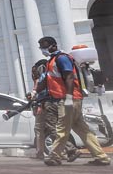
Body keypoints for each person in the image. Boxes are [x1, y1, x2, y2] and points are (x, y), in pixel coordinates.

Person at [40, 36, 110, 167]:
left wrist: (68, 97)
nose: (42, 49)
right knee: (84, 131)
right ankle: (102, 158)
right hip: (71, 99)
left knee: (61, 129)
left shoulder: (61, 58)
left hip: (68, 99)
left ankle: (54, 156)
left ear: (53, 45)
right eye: (41, 46)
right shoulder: (53, 60)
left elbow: (70, 77)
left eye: (44, 46)